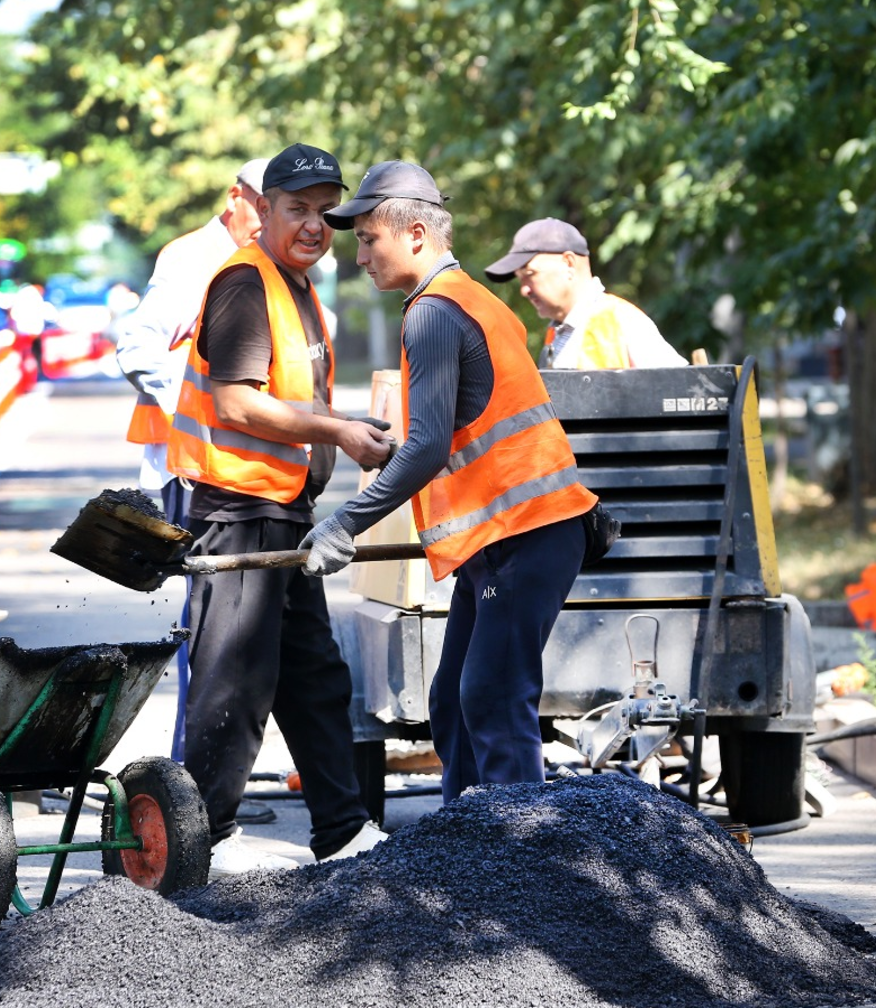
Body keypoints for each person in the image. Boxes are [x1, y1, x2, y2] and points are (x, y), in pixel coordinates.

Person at [309, 162, 600, 802]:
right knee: (454, 701)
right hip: (505, 537)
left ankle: (519, 863)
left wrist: (343, 523)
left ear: (415, 233)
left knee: (493, 697)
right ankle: (460, 847)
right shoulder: (468, 299)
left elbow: (430, 447)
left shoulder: (434, 314)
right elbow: (461, 431)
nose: (357, 256)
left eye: (366, 238)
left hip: (526, 532)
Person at [168, 142, 394, 875]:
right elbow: (237, 402)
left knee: (314, 675)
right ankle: (201, 839)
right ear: (261, 210)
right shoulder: (245, 283)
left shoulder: (294, 287)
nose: (313, 225)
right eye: (298, 209)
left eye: (326, 212)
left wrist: (344, 430)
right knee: (235, 678)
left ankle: (342, 828)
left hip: (282, 510)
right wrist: (337, 430)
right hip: (238, 512)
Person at [111, 158, 270, 788]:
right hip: (193, 467)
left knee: (239, 629)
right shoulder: (193, 259)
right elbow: (138, 347)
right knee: (211, 626)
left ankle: (212, 778)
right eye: (266, 204)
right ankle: (193, 782)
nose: (274, 219)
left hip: (235, 467)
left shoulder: (261, 262)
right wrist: (203, 406)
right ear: (237, 198)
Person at [484, 217, 686, 369]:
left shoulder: (620, 321)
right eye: (520, 278)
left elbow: (679, 393)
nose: (524, 290)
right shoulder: (558, 334)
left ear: (569, 263)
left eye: (530, 274)